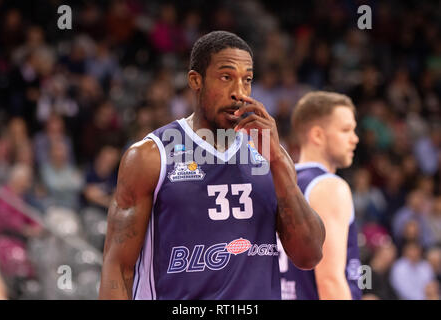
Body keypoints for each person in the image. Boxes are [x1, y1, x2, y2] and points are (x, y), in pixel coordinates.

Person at [99, 31, 325, 300]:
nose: (239, 93)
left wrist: (277, 163)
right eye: (226, 77)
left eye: (247, 80)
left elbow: (308, 256)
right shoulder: (151, 155)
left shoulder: (271, 156)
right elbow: (117, 268)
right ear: (196, 80)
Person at [278, 91, 362, 300]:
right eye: (345, 130)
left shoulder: (281, 182)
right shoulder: (329, 187)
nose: (355, 138)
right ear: (317, 135)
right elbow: (330, 282)